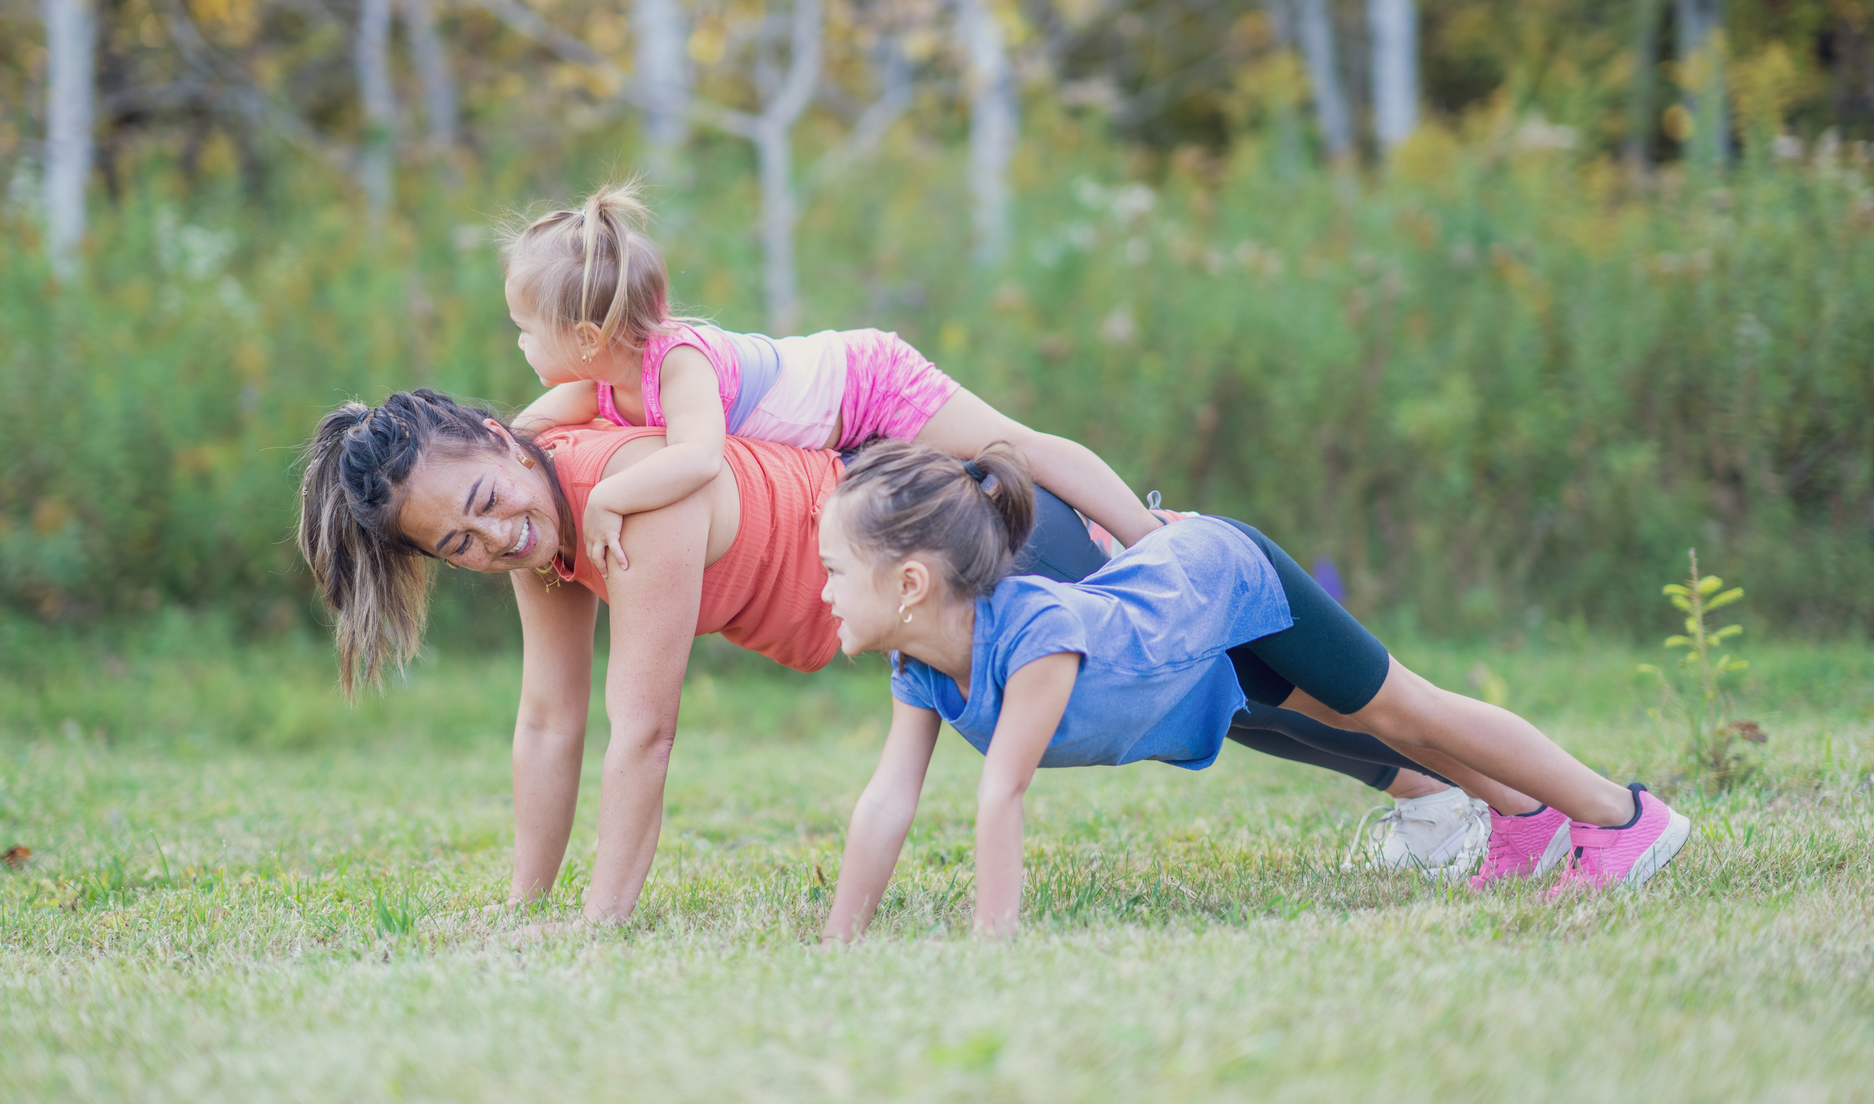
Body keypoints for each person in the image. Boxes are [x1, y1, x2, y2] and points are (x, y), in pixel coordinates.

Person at [296, 390, 1464, 926]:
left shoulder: (624, 503)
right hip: (902, 589)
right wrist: (526, 909)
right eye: (460, 543)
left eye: (489, 501)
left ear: (505, 438)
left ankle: (1443, 785)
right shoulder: (547, 531)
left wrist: (601, 929)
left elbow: (640, 727)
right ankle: (1438, 788)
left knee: (1230, 679)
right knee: (1225, 690)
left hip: (943, 546)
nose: (498, 537)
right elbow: (549, 724)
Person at [815, 440, 1693, 942]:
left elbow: (1001, 794)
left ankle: (1622, 820)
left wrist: (990, 951)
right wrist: (838, 946)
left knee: (1403, 709)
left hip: (1225, 582)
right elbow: (887, 799)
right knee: (1366, 722)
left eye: (833, 571)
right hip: (1196, 653)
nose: (819, 590)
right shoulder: (922, 664)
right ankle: (1523, 818)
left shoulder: (1035, 637)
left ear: (911, 585)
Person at [499, 182, 1167, 573]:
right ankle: (1101, 538)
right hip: (844, 431)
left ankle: (1148, 535)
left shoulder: (678, 363)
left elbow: (698, 459)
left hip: (868, 383)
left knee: (1009, 448)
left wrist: (608, 498)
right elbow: (534, 423)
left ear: (586, 340)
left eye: (525, 329)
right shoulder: (601, 381)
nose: (521, 343)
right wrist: (500, 442)